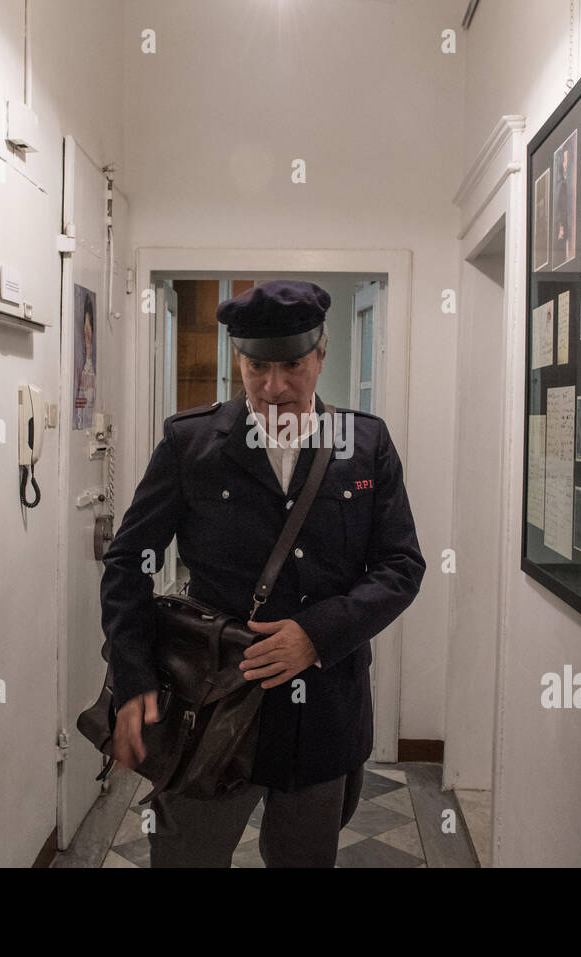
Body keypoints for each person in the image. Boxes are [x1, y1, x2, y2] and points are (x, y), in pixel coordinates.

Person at [100, 280, 426, 868]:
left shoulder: (366, 444)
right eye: (258, 367)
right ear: (238, 362)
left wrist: (316, 635)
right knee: (186, 857)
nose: (275, 387)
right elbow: (127, 561)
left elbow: (401, 566)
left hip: (324, 706)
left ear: (320, 357)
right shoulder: (190, 442)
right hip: (211, 701)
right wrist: (133, 678)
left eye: (293, 366)